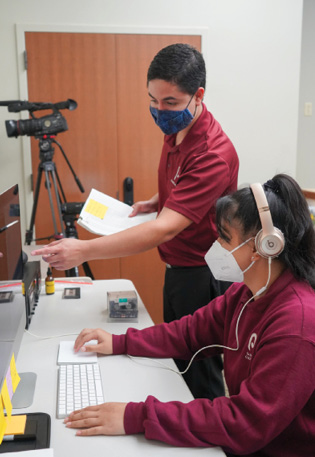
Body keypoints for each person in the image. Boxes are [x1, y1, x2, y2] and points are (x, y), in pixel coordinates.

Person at [31, 43, 239, 400]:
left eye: (169, 102)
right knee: (177, 361)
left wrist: (85, 250)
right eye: (153, 100)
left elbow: (165, 229)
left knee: (199, 374)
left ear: (198, 95)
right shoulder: (177, 128)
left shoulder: (214, 154)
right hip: (176, 269)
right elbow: (183, 183)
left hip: (201, 276)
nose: (159, 111)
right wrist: (158, 200)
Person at [63, 174, 315, 457]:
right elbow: (189, 332)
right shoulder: (247, 293)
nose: (216, 245)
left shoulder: (296, 324)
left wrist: (135, 417)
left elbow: (245, 423)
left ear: (264, 246)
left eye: (225, 237)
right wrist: (120, 342)